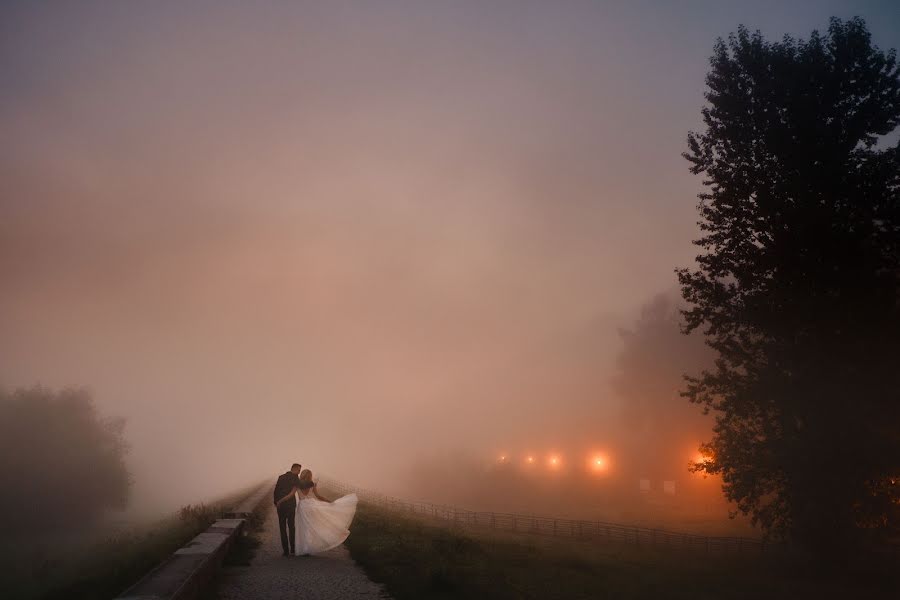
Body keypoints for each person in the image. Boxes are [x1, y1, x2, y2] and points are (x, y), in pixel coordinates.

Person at [276, 468, 358, 555]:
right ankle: (308, 548)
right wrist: (330, 502)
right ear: (310, 476)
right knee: (310, 528)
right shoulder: (312, 484)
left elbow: (291, 495)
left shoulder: (297, 485)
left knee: (304, 528)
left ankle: (304, 549)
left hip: (303, 507)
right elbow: (318, 496)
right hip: (311, 505)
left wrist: (280, 501)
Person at [272, 463, 313, 557]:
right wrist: (312, 483)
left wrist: (276, 502)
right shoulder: (295, 478)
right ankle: (293, 550)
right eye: (298, 470)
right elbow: (302, 486)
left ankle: (285, 551)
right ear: (294, 469)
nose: (299, 473)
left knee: (282, 528)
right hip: (290, 506)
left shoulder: (281, 477)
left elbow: (276, 491)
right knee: (291, 527)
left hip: (281, 506)